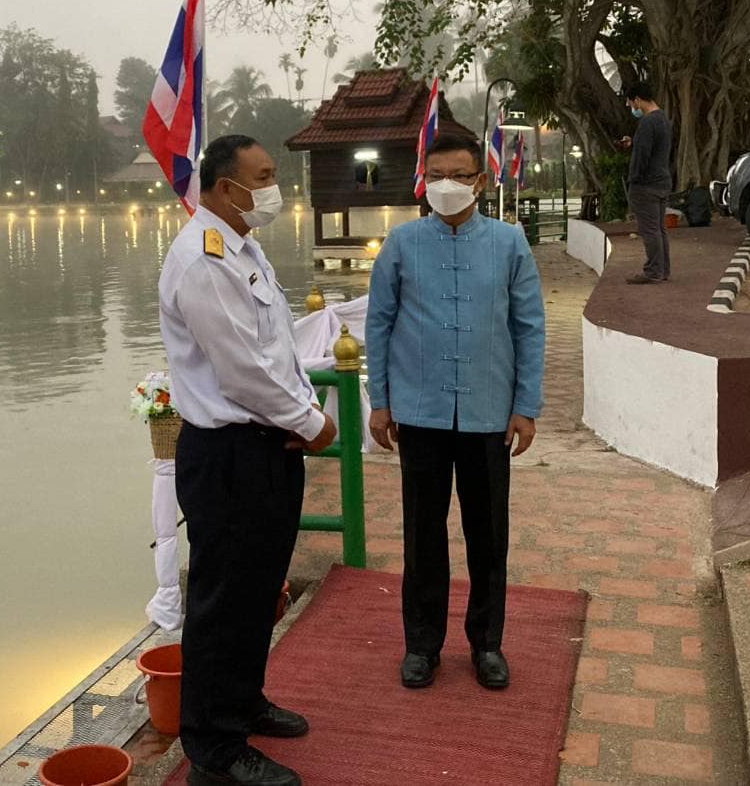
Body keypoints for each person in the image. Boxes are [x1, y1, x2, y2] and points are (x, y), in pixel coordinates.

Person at [158, 134, 337, 786]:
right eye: (262, 176)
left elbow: (277, 353)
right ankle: (213, 749)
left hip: (265, 447)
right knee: (222, 601)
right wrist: (314, 423)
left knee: (258, 586)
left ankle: (242, 702)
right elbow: (242, 373)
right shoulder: (203, 262)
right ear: (222, 187)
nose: (273, 187)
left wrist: (296, 414)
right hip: (229, 453)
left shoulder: (243, 248)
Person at [365, 133, 545, 692]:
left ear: (481, 179)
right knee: (422, 535)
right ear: (424, 179)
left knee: (488, 536)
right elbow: (380, 323)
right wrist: (382, 401)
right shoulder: (401, 244)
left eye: (459, 175)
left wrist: (527, 406)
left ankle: (487, 644)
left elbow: (529, 328)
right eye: (436, 174)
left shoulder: (510, 244)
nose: (447, 185)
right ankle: (422, 645)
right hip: (420, 411)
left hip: (490, 413)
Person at [622, 81, 674, 284]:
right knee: (660, 229)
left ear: (637, 100)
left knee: (649, 229)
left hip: (646, 185)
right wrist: (633, 143)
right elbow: (655, 148)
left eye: (630, 103)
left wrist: (634, 178)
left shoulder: (646, 122)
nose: (631, 107)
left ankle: (653, 270)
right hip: (662, 181)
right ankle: (663, 269)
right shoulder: (663, 119)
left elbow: (642, 156)